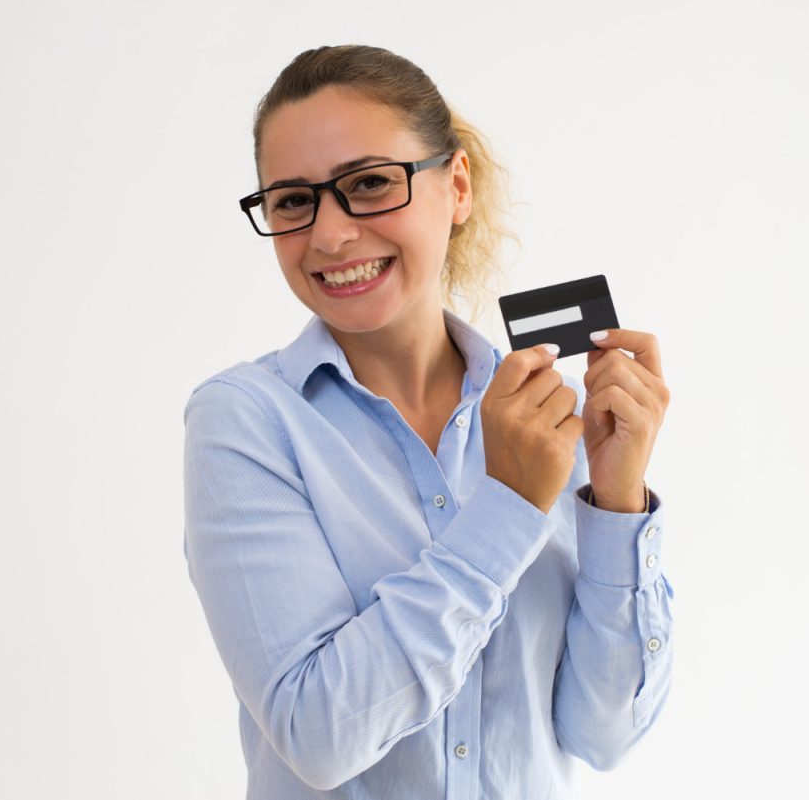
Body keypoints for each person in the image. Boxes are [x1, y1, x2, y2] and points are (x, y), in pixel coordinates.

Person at [183, 44, 674, 798]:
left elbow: (601, 735)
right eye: (292, 200)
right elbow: (319, 735)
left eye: (370, 183)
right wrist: (508, 507)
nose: (330, 234)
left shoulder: (549, 421)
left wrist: (616, 503)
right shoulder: (245, 422)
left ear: (458, 187)